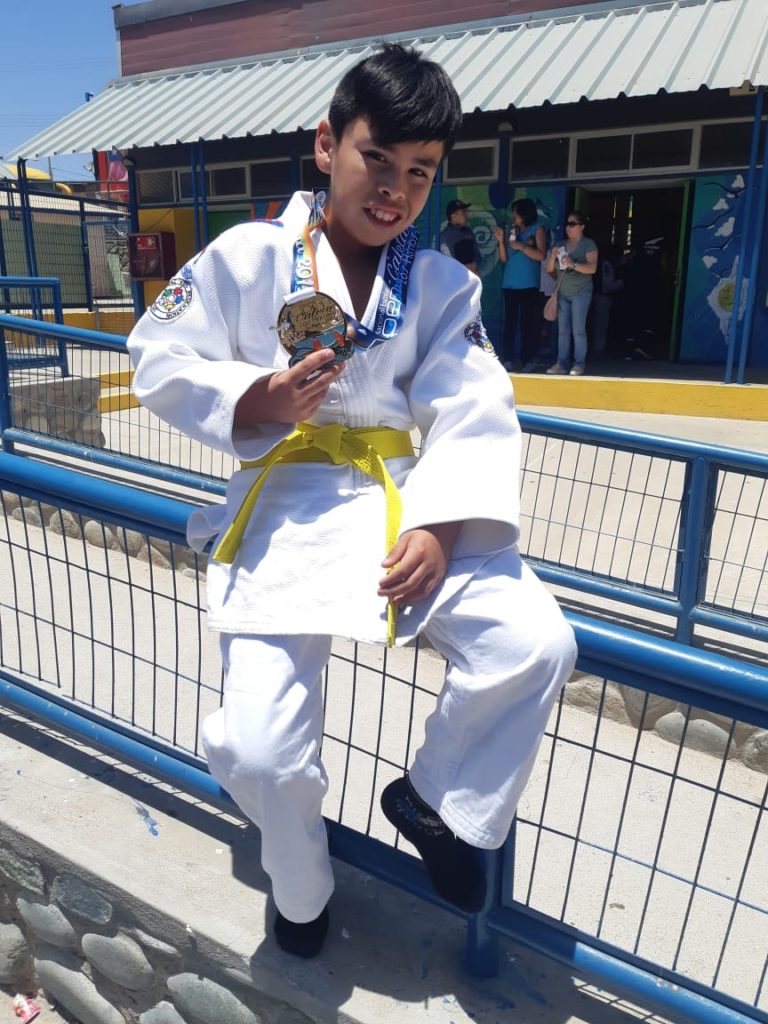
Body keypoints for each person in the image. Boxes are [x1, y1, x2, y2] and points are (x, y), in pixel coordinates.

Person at [127, 43, 576, 960]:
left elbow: (475, 405)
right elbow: (157, 354)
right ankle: (301, 890)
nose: (395, 190)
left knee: (535, 643)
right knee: (260, 752)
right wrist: (256, 397)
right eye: (379, 158)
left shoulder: (442, 283)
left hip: (400, 506)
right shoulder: (250, 256)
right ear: (328, 144)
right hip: (284, 503)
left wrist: (442, 526)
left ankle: (441, 801)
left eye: (421, 172)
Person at [545, 211, 598, 375]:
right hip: (563, 292)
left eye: (573, 224)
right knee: (563, 330)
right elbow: (549, 270)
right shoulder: (560, 245)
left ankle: (579, 363)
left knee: (578, 329)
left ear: (582, 227)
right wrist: (553, 257)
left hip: (580, 292)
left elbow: (592, 268)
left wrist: (572, 264)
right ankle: (561, 363)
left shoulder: (588, 244)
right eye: (568, 224)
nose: (568, 227)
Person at [498, 198, 548, 371]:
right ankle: (508, 358)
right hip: (510, 284)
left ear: (525, 214)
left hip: (529, 284)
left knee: (528, 323)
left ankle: (528, 359)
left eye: (516, 212)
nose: (513, 216)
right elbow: (504, 259)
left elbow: (541, 255)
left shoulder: (537, 229)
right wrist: (501, 242)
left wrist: (522, 246)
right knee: (510, 323)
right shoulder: (512, 231)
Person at [439, 198, 480, 264]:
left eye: (466, 211)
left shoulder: (468, 231)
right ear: (454, 217)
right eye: (463, 212)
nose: (467, 214)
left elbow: (477, 256)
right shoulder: (445, 237)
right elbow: (448, 262)